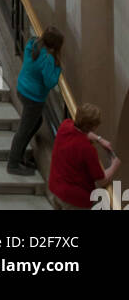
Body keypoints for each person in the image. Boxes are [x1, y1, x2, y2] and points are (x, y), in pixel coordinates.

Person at [6, 26, 63, 175]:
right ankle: (13, 164)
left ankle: (19, 157)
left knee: (36, 122)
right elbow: (50, 82)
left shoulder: (33, 44)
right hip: (33, 98)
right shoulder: (48, 59)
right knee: (23, 131)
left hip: (23, 89)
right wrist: (58, 67)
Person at [48, 103, 120, 209]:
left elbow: (80, 131)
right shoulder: (87, 149)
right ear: (94, 127)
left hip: (55, 188)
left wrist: (99, 139)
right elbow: (101, 180)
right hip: (73, 199)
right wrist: (114, 165)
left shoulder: (65, 126)